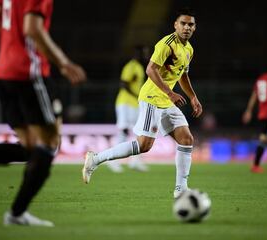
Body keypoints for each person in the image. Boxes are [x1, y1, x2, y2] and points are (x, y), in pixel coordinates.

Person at [0, 0, 86, 227]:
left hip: (3, 73)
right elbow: (32, 28)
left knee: (31, 148)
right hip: (28, 74)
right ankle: (16, 213)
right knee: (50, 145)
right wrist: (63, 63)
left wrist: (13, 45)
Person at [82, 8, 203, 199]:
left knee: (186, 139)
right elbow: (150, 69)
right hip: (152, 99)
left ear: (194, 28)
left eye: (190, 24)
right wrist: (171, 93)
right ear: (176, 25)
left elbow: (183, 75)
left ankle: (181, 189)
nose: (187, 27)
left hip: (166, 100)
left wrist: (193, 97)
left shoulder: (189, 49)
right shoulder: (167, 44)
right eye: (183, 23)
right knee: (144, 145)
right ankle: (95, 159)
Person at [106, 45, 150, 173]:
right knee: (124, 131)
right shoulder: (131, 66)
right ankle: (113, 161)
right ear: (138, 54)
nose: (147, 55)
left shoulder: (139, 67)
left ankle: (135, 162)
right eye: (145, 53)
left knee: (140, 132)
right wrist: (137, 95)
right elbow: (123, 84)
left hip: (134, 105)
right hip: (125, 103)